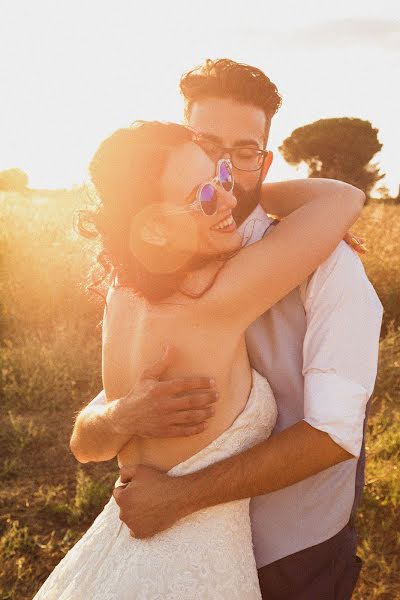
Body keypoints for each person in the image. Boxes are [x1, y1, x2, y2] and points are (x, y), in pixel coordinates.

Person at [69, 60, 383, 599]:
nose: (225, 173)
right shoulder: (151, 282)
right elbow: (95, 432)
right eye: (207, 149)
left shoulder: (328, 262)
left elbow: (333, 434)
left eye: (244, 154)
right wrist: (123, 414)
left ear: (264, 158)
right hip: (175, 544)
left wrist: (180, 496)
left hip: (294, 548)